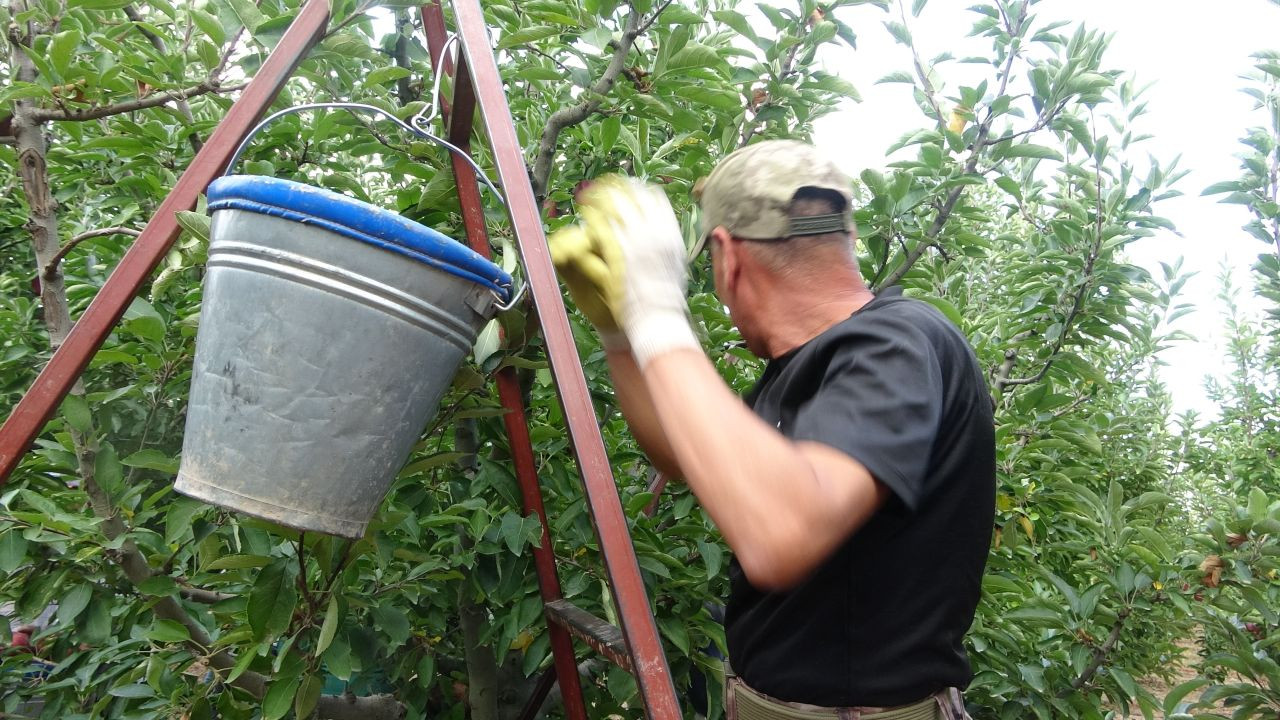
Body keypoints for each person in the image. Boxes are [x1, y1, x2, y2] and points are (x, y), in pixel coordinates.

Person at [549, 139, 995, 720]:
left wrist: (656, 310)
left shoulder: (899, 342)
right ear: (847, 239)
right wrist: (622, 338)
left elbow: (781, 530)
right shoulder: (804, 371)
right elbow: (683, 458)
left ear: (728, 257)